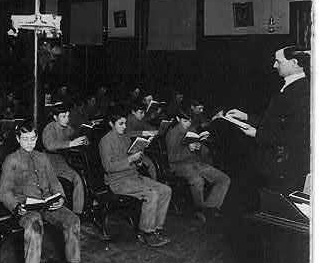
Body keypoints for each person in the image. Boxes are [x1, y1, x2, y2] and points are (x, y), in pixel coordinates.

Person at [0, 121, 86, 263]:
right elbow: (4, 192)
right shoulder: (11, 160)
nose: (29, 143)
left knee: (72, 220)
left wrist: (60, 197)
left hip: (47, 203)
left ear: (37, 138)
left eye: (33, 138)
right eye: (25, 139)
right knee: (35, 225)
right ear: (17, 139)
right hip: (26, 206)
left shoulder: (43, 157)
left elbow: (54, 182)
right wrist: (15, 206)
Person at [227, 46, 310, 194]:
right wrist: (246, 117)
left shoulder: (302, 92)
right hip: (277, 163)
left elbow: (293, 134)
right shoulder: (291, 86)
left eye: (278, 61)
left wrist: (257, 134)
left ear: (294, 63)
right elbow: (277, 120)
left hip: (286, 166)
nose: (274, 65)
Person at [99, 110, 172, 247]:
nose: (124, 126)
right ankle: (146, 233)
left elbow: (133, 161)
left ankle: (156, 228)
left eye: (125, 123)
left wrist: (138, 160)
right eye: (120, 124)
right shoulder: (105, 142)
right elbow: (108, 167)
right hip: (118, 181)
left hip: (133, 176)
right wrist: (130, 159)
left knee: (166, 190)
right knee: (152, 194)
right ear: (111, 124)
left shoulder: (126, 138)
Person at [165, 109, 231, 218]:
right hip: (178, 166)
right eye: (185, 121)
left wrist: (199, 146)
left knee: (224, 179)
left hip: (195, 163)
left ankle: (210, 207)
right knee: (197, 181)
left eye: (190, 121)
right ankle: (200, 209)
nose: (188, 124)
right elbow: (172, 158)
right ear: (178, 119)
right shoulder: (173, 133)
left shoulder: (191, 129)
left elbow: (203, 152)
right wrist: (188, 149)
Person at [41, 102, 87, 215]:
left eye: (68, 116)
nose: (67, 119)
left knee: (79, 178)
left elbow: (75, 135)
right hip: (49, 164)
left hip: (63, 162)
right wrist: (70, 143)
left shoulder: (67, 128)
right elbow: (49, 145)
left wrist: (83, 139)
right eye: (63, 116)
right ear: (55, 117)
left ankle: (77, 213)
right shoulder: (49, 129)